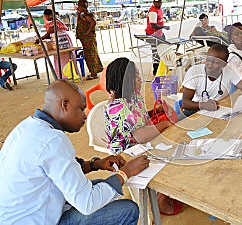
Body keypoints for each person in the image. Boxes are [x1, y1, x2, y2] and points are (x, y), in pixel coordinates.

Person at [0, 80, 150, 224]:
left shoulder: (27, 127)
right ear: (65, 104)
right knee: (128, 210)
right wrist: (126, 172)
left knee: (100, 185)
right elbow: (87, 203)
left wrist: (96, 164)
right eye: (80, 108)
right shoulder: (52, 140)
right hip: (36, 219)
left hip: (19, 215)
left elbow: (61, 168)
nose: (84, 115)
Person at [104, 57, 183, 216]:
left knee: (178, 151)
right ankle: (160, 198)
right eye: (136, 77)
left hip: (142, 145)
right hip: (126, 154)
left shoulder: (134, 98)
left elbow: (141, 120)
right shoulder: (117, 107)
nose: (140, 80)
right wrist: (163, 125)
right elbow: (139, 135)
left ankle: (163, 194)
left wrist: (156, 112)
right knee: (169, 157)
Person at [182, 44, 242, 116]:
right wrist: (204, 105)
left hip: (218, 111)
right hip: (195, 110)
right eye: (208, 59)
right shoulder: (194, 72)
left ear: (224, 64)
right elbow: (185, 103)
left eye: (215, 62)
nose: (209, 65)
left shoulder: (230, 70)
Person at [36, 9, 73, 79]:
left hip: (61, 43)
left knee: (62, 60)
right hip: (63, 42)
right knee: (65, 59)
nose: (46, 18)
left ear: (49, 15)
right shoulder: (57, 21)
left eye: (46, 16)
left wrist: (39, 39)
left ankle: (65, 76)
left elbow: (48, 34)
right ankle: (66, 75)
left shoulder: (54, 23)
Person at [76, 0, 104, 80]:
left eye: (79, 6)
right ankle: (93, 72)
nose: (78, 7)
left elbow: (93, 22)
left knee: (90, 55)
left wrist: (88, 32)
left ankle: (93, 73)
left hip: (88, 39)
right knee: (90, 55)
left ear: (82, 7)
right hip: (86, 39)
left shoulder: (85, 15)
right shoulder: (81, 14)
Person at [145, 0, 170, 75]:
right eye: (157, 2)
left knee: (164, 50)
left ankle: (163, 67)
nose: (159, 4)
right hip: (152, 34)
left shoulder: (159, 10)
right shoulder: (153, 11)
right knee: (156, 53)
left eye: (160, 2)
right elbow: (153, 25)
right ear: (154, 3)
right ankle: (156, 70)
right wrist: (164, 27)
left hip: (159, 33)